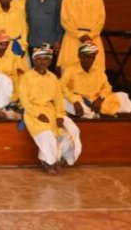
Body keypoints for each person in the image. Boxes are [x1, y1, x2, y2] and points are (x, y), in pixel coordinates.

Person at [19, 44, 81, 175]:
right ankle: (48, 161)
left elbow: (58, 99)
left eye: (46, 59)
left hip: (51, 110)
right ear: (34, 60)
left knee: (72, 129)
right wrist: (37, 114)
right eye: (39, 59)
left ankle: (59, 158)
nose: (42, 62)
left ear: (50, 61)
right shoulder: (26, 77)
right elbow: (24, 100)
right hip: (32, 112)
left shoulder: (53, 78)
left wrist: (59, 116)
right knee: (46, 134)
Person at [61, 41, 131, 118]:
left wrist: (100, 99)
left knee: (122, 97)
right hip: (79, 100)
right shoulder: (70, 70)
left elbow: (107, 87)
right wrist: (75, 101)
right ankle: (92, 114)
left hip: (96, 100)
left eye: (92, 57)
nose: (89, 60)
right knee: (63, 101)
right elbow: (61, 87)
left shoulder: (98, 69)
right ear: (80, 56)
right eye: (86, 57)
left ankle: (92, 114)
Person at [57, 0, 106, 72]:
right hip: (72, 38)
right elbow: (64, 21)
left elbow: (101, 20)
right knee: (69, 69)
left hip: (92, 39)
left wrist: (90, 36)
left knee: (94, 70)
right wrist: (80, 35)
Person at [26, 0, 63, 71]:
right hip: (33, 42)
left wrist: (58, 40)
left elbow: (60, 19)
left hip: (51, 42)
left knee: (49, 72)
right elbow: (27, 19)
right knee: (34, 73)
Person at [0, 29, 26, 103]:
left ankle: (14, 100)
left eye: (6, 44)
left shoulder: (11, 54)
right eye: (1, 44)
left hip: (9, 80)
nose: (3, 47)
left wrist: (19, 69)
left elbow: (15, 68)